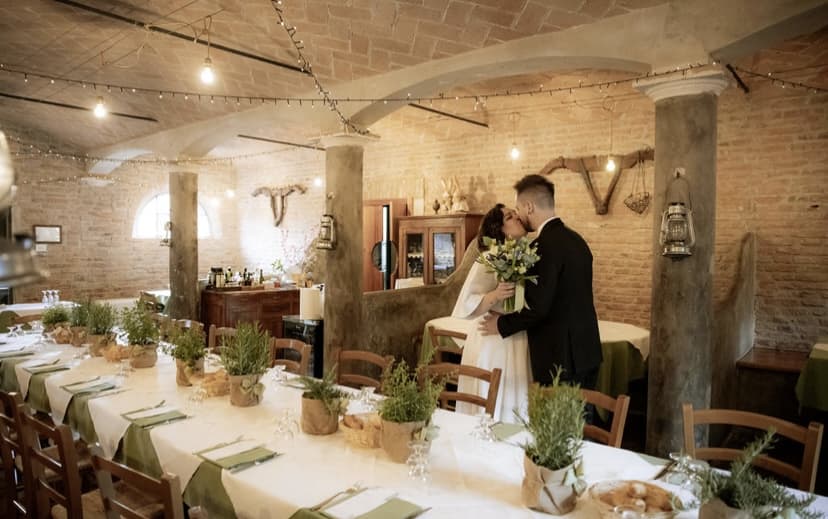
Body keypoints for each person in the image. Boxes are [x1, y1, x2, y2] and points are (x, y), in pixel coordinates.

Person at [480, 174, 602, 389]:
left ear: (529, 207)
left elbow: (538, 307)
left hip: (560, 359)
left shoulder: (541, 247)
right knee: (583, 411)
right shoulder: (577, 240)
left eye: (518, 209)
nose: (518, 216)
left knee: (555, 413)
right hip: (588, 352)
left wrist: (500, 325)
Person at [451, 204, 530, 423]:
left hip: (516, 335)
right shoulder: (488, 258)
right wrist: (495, 295)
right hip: (493, 339)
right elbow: (466, 303)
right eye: (510, 216)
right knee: (493, 397)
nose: (517, 217)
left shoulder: (525, 255)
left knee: (517, 397)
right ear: (499, 229)